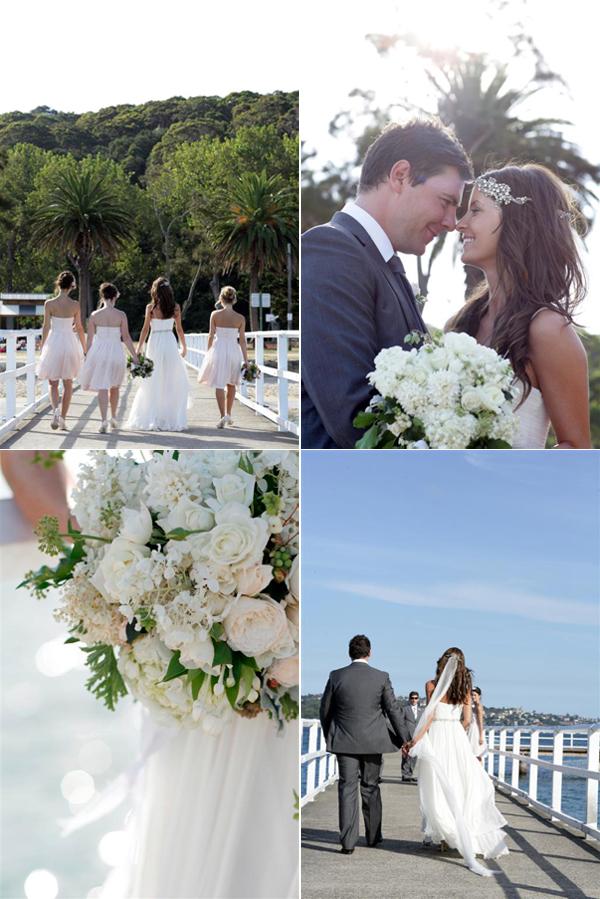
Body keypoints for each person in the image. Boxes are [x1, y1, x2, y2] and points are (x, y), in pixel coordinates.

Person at [301, 118, 473, 447]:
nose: (452, 223)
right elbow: (353, 416)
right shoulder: (330, 250)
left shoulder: (383, 264)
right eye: (446, 201)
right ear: (400, 175)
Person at [448, 164, 591, 448]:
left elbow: (576, 450)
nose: (459, 224)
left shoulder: (547, 329)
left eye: (475, 210)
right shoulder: (461, 323)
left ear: (517, 220)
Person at [404, 648, 508, 876]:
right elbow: (467, 721)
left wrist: (415, 740)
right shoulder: (465, 689)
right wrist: (455, 733)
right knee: (461, 783)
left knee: (438, 786)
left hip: (437, 737)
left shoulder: (431, 685)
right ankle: (463, 833)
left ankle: (445, 837)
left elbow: (429, 716)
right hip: (456, 737)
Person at [319, 635, 407, 854]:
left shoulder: (336, 676)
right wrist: (405, 739)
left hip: (344, 742)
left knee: (347, 789)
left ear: (349, 653)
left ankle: (348, 843)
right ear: (370, 652)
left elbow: (325, 711)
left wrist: (330, 735)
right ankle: (373, 837)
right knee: (371, 787)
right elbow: (393, 710)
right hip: (373, 742)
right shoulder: (381, 677)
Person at [126, 277, 189, 431]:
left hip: (154, 342)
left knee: (153, 379)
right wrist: (184, 346)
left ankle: (153, 415)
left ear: (155, 290)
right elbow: (179, 329)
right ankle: (169, 416)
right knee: (170, 378)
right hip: (169, 341)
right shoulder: (175, 307)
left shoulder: (151, 308)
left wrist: (139, 348)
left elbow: (145, 329)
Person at [80, 283, 138, 433]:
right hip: (116, 352)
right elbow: (126, 337)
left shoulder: (94, 315)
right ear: (114, 297)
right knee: (115, 387)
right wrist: (135, 356)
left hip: (99, 353)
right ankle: (113, 417)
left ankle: (103, 420)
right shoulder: (121, 315)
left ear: (102, 296)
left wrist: (87, 355)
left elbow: (89, 339)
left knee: (102, 387)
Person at [37, 271, 85, 431]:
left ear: (58, 284)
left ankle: (55, 411)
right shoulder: (75, 305)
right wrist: (85, 348)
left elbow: (46, 327)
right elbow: (79, 327)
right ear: (72, 285)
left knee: (53, 383)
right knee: (68, 383)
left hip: (54, 343)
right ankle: (63, 419)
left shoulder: (49, 304)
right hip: (69, 343)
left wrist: (43, 346)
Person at [197, 286, 248, 428]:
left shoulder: (215, 314)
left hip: (219, 350)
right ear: (234, 299)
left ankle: (222, 416)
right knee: (231, 384)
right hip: (233, 351)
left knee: (219, 384)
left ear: (221, 299)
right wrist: (246, 360)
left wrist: (208, 353)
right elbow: (242, 341)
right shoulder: (240, 318)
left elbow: (211, 335)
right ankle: (229, 414)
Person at [399, 691, 421, 782]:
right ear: (409, 699)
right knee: (406, 755)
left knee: (414, 756)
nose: (414, 700)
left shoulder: (421, 710)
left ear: (418, 699)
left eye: (416, 698)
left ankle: (410, 774)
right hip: (407, 736)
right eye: (412, 698)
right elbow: (400, 722)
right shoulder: (405, 709)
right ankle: (405, 775)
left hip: (417, 737)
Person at [466, 686, 486, 761]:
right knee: (472, 754)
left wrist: (480, 736)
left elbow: (480, 722)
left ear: (479, 696)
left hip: (476, 731)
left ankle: (480, 768)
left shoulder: (478, 706)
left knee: (477, 754)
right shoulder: (472, 706)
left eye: (475, 695)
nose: (473, 697)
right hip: (471, 729)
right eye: (472, 695)